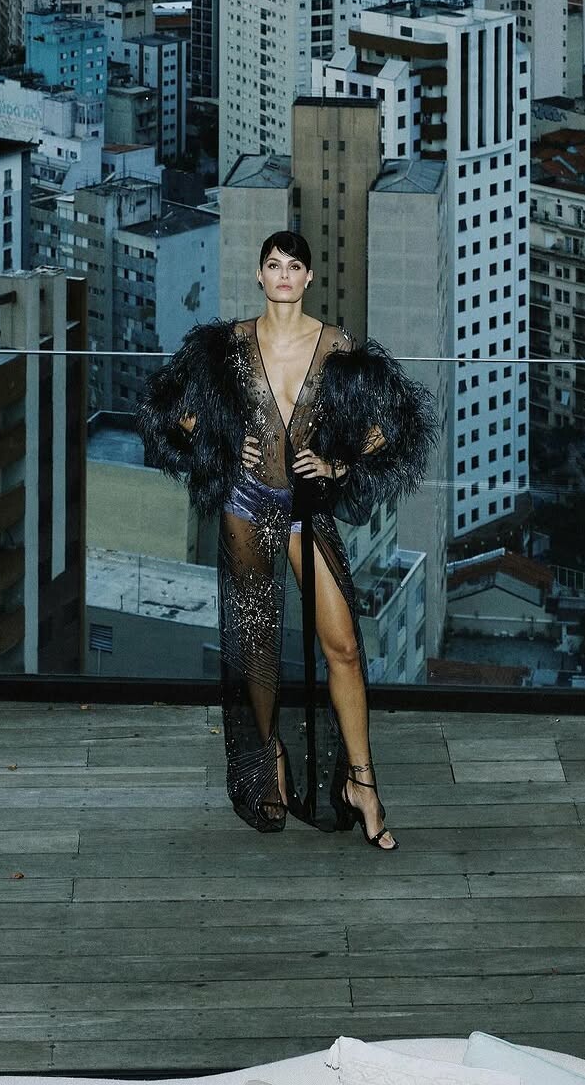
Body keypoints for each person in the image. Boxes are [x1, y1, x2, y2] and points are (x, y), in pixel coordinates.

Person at [136, 231, 438, 851]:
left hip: (306, 512)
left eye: (293, 266)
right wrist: (223, 447)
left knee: (343, 646)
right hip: (246, 506)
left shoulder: (336, 348)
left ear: (308, 279)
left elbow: (395, 427)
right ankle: (270, 754)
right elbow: (170, 415)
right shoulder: (225, 347)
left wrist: (336, 466)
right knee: (256, 649)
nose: (282, 275)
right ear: (259, 275)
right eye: (272, 264)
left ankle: (362, 783)